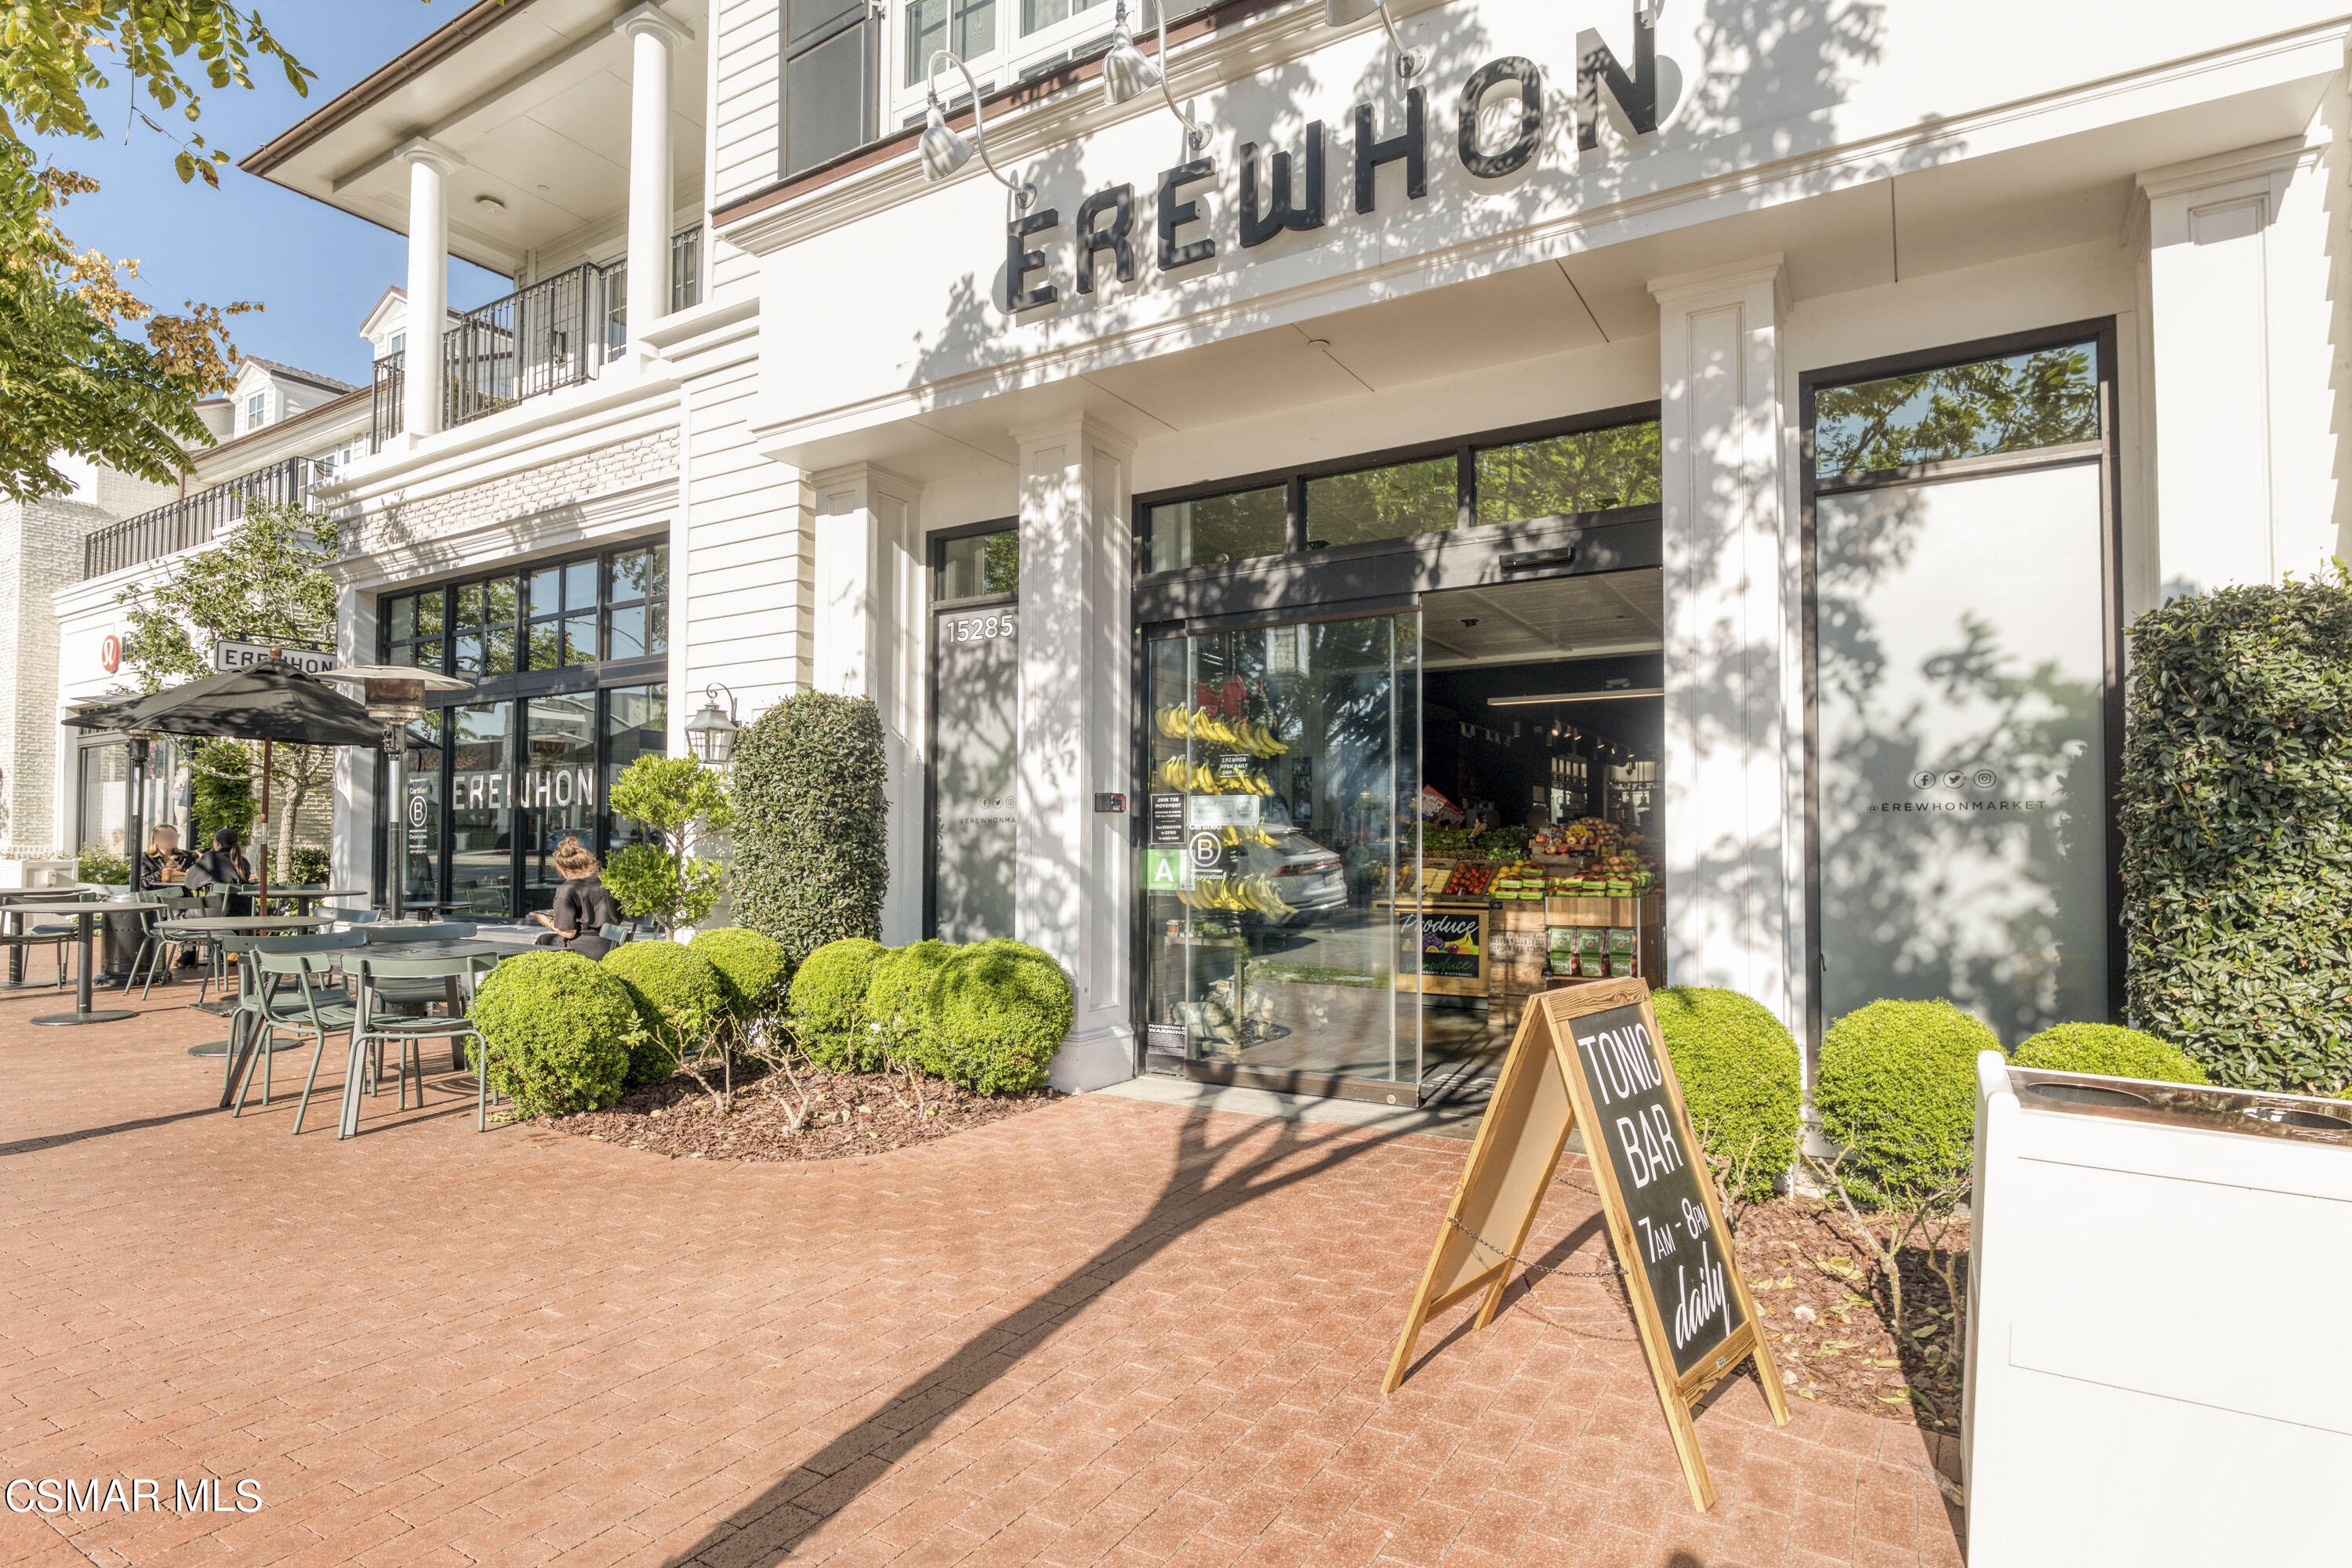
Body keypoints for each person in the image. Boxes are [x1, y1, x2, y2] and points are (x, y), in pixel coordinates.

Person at [526, 837, 624, 959]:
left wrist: (546, 922)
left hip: (584, 949)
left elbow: (568, 933)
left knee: (544, 940)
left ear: (563, 869)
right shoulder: (607, 881)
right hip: (612, 944)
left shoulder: (567, 889)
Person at [184, 829, 253, 916]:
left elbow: (190, 883)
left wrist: (202, 861)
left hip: (216, 909)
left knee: (187, 915)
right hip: (244, 911)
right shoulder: (243, 861)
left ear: (217, 843)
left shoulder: (211, 858)